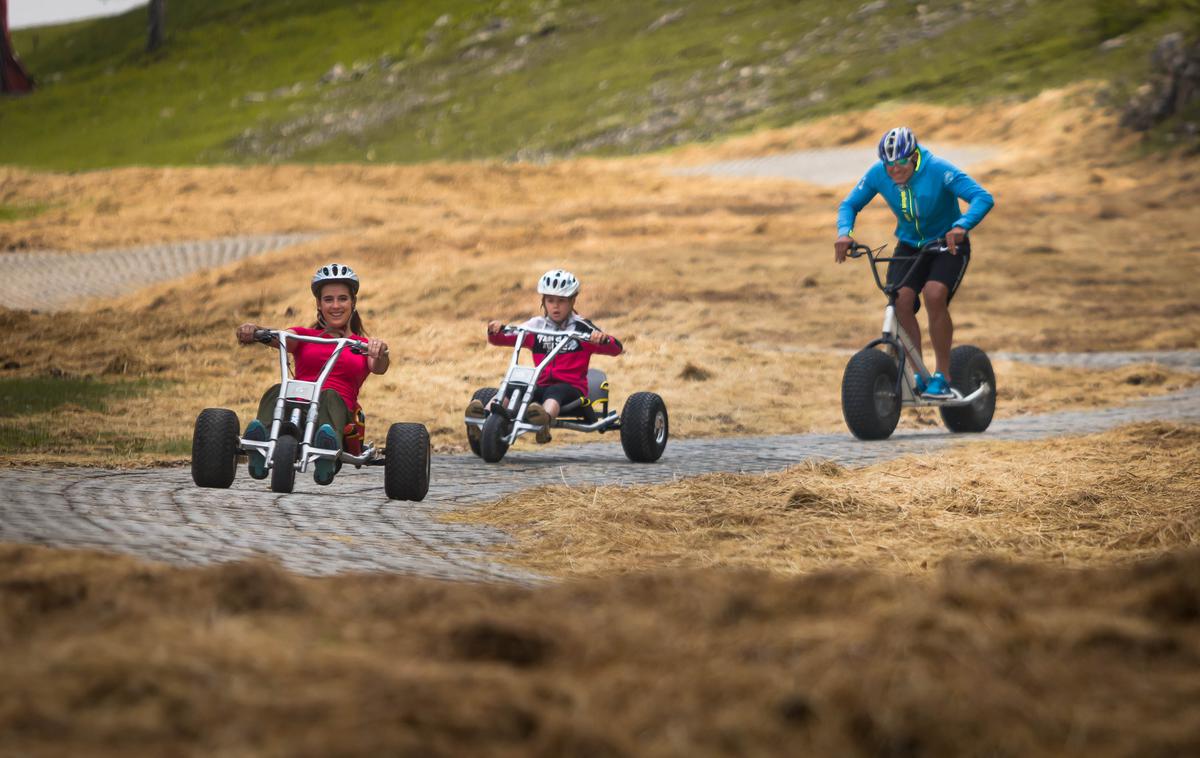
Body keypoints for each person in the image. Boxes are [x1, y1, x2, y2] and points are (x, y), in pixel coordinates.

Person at [834, 126, 994, 397]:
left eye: (900, 163)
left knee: (934, 295)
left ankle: (943, 374)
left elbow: (982, 197)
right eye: (888, 165)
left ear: (914, 156)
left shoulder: (938, 169)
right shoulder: (878, 173)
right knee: (900, 301)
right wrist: (844, 233)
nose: (894, 170)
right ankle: (919, 373)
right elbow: (849, 204)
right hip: (910, 246)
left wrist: (962, 225)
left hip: (947, 244)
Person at [235, 262, 389, 484]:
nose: (336, 306)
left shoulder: (362, 345)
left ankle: (327, 445)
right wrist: (254, 330)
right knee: (277, 390)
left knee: (328, 395)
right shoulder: (303, 335)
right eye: (328, 299)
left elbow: (379, 367)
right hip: (293, 406)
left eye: (342, 298)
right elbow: (281, 337)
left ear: (353, 302)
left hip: (336, 412)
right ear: (319, 303)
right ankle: (259, 446)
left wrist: (379, 351)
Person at [466, 269, 622, 444]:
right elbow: (505, 337)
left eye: (561, 301)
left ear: (572, 301)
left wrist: (602, 339)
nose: (555, 306)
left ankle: (544, 422)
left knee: (555, 391)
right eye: (550, 301)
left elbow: (616, 348)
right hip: (539, 384)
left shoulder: (581, 327)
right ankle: (483, 417)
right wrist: (494, 330)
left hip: (571, 387)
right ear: (544, 301)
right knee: (513, 386)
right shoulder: (536, 325)